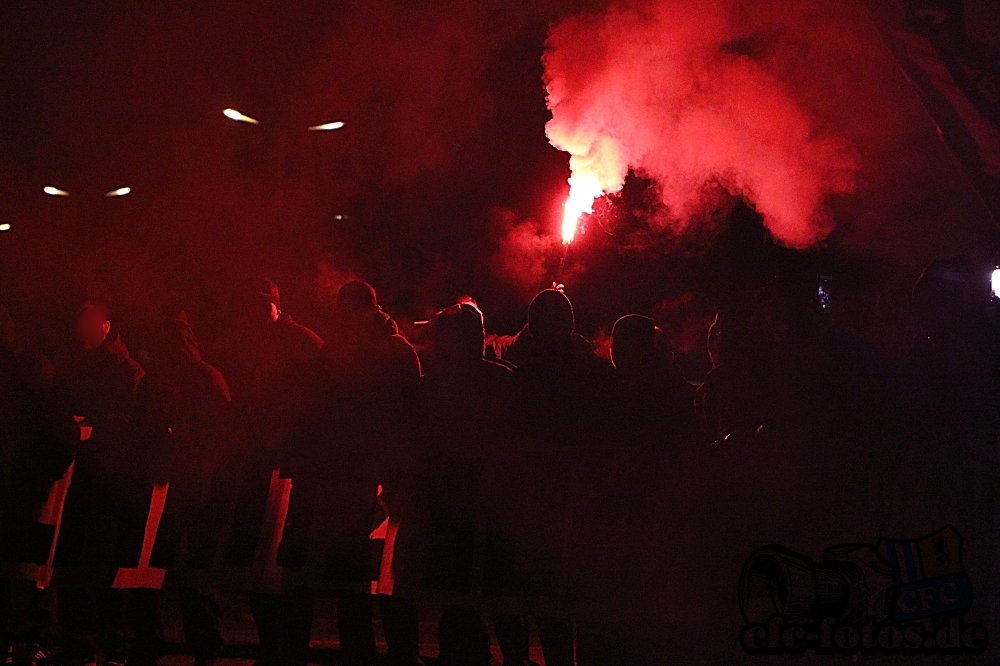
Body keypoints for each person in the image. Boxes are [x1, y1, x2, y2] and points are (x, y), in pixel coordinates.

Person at [277, 280, 421, 666]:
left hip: (363, 475)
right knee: (322, 572)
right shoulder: (346, 349)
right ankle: (303, 652)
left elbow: (401, 416)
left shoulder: (388, 351)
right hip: (333, 473)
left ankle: (360, 653)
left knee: (359, 574)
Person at [485, 288, 609, 666]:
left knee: (513, 591)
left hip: (524, 494)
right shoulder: (586, 367)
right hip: (562, 495)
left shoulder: (520, 364)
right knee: (551, 594)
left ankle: (519, 660)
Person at [219, 277, 322, 666]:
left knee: (287, 564)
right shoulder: (248, 345)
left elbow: (315, 405)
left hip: (291, 466)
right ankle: (272, 646)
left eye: (263, 304)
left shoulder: (303, 343)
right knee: (257, 563)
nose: (255, 312)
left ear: (277, 305)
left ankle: (290, 649)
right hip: (258, 464)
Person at [51, 301, 148, 665]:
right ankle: (79, 642)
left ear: (106, 326)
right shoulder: (69, 363)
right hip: (73, 475)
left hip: (107, 477)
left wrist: (94, 424)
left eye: (91, 320)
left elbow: (135, 420)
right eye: (80, 319)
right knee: (71, 558)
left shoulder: (124, 368)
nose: (84, 327)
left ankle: (111, 643)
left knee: (103, 561)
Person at [418, 301, 513, 666]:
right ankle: (462, 653)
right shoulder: (433, 385)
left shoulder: (499, 381)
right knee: (451, 587)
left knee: (486, 589)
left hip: (485, 500)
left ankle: (494, 655)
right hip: (445, 498)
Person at [135, 310, 232, 666]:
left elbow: (220, 433)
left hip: (193, 488)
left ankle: (204, 646)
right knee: (148, 570)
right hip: (159, 487)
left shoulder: (204, 376)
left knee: (193, 573)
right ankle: (150, 643)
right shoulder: (154, 381)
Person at [0, 307, 76, 664]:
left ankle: (32, 639)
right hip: (19, 482)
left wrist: (42, 475)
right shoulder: (21, 368)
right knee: (22, 566)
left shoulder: (28, 371)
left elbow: (61, 432)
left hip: (23, 486)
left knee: (29, 567)